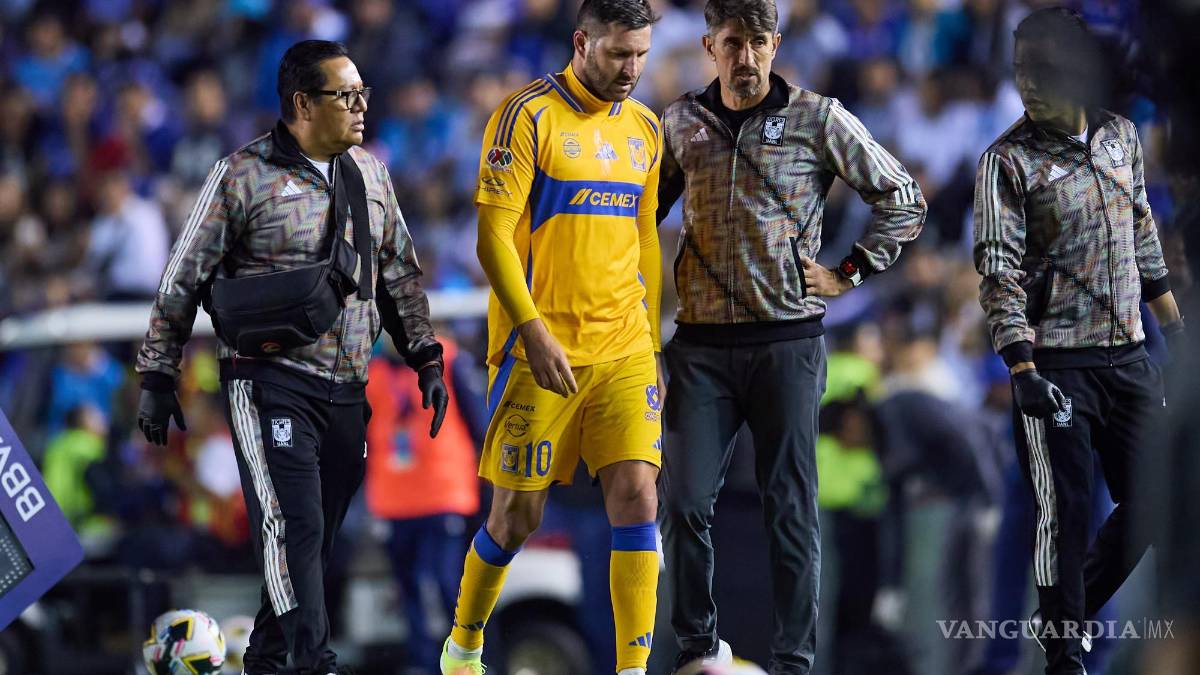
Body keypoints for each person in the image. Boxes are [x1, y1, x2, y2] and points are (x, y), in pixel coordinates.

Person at [134, 40, 449, 675]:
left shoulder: (372, 175)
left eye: (363, 93)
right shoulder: (240, 175)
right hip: (266, 379)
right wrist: (158, 373)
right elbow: (182, 276)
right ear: (303, 104)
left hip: (349, 387)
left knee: (315, 538)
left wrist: (426, 358)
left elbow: (399, 275)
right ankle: (314, 663)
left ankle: (266, 659)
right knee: (291, 525)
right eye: (346, 95)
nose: (362, 106)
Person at [655, 1, 926, 673]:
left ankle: (795, 661)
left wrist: (848, 272)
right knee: (684, 503)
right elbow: (637, 216)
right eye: (731, 42)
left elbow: (903, 198)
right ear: (709, 47)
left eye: (757, 41)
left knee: (790, 508)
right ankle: (696, 649)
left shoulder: (818, 117)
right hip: (700, 347)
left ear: (776, 43)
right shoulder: (680, 122)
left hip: (787, 340)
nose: (745, 56)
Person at [439, 1, 665, 674]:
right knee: (517, 515)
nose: (631, 68)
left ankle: (632, 667)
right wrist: (531, 330)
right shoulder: (527, 116)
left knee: (638, 494)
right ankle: (465, 643)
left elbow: (646, 239)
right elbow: (492, 238)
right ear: (581, 42)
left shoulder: (646, 129)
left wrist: (653, 345)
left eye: (641, 55)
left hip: (623, 344)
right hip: (541, 348)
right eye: (619, 53)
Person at [971, 8, 1184, 675]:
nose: (1028, 83)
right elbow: (998, 273)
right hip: (1054, 364)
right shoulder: (1005, 160)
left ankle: (1068, 613)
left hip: (1130, 355)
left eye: (1043, 69)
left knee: (1157, 500)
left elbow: (1145, 241)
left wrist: (1177, 332)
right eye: (1020, 70)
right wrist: (1021, 367)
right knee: (1060, 515)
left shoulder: (1122, 137)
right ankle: (1064, 659)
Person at [364, 337, 483, 674]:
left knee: (447, 585)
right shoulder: (371, 372)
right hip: (393, 502)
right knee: (409, 589)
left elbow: (481, 425)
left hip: (444, 496)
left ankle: (463, 662)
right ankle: (424, 664)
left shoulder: (449, 359)